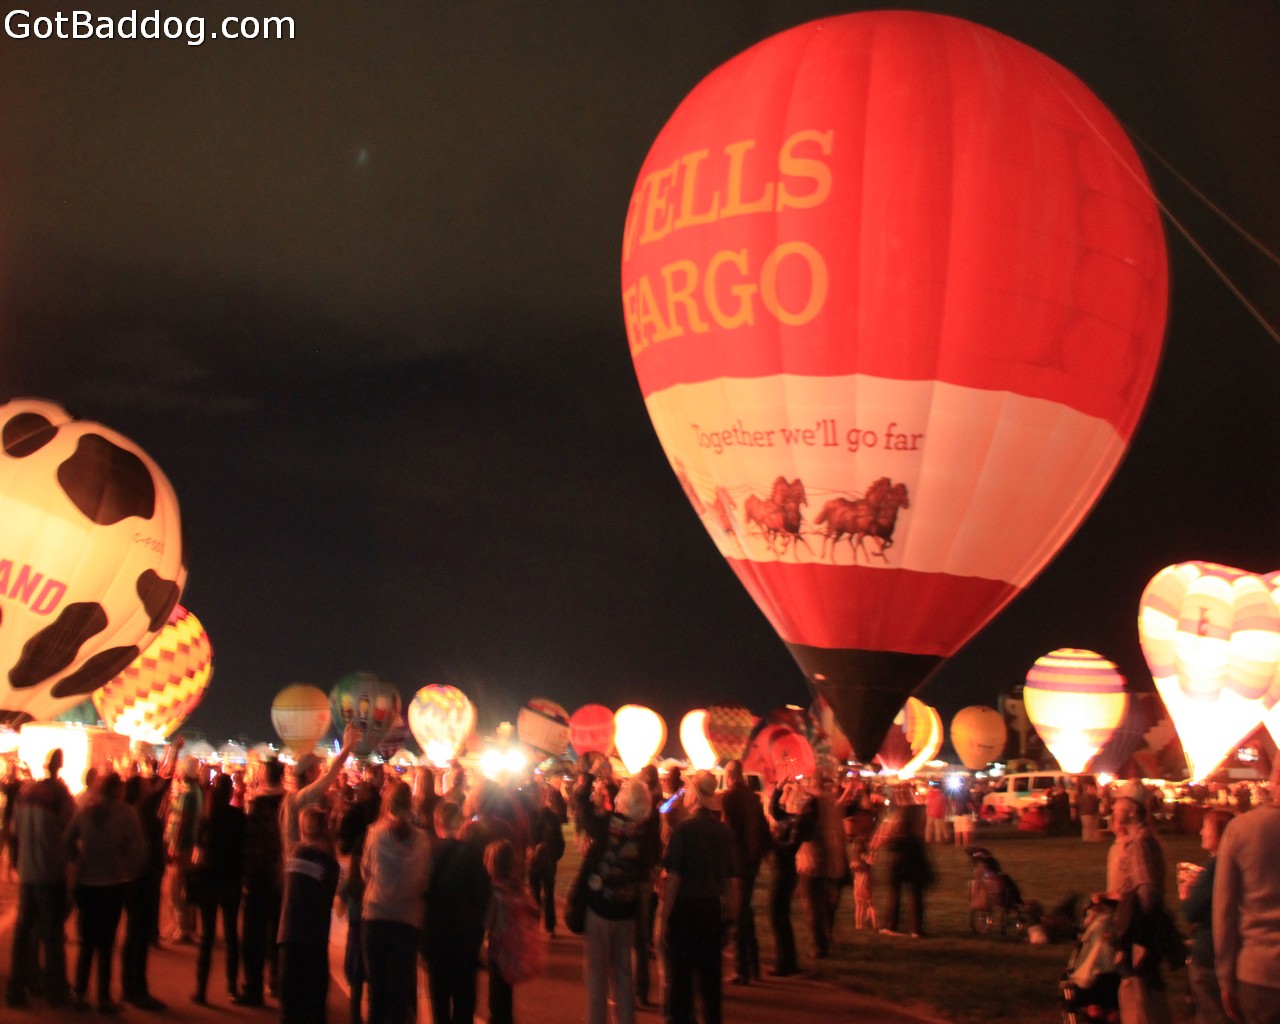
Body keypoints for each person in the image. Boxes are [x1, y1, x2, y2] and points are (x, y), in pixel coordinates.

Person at [65, 770, 147, 1013]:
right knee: (107, 942)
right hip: (114, 883)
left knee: (86, 941)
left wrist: (78, 860)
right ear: (118, 789)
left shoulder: (86, 810)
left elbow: (67, 840)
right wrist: (130, 869)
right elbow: (140, 848)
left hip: (87, 883)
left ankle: (79, 991)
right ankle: (103, 997)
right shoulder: (127, 813)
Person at [578, 777, 653, 1024]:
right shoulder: (644, 835)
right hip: (627, 911)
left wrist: (590, 779)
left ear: (624, 801)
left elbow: (584, 809)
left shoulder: (611, 824)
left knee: (597, 976)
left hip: (600, 908)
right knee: (623, 975)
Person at [658, 769, 730, 1024]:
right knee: (710, 985)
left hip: (685, 912)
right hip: (712, 911)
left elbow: (675, 877)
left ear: (695, 796)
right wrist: (729, 916)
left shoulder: (684, 831)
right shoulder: (723, 832)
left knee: (681, 982)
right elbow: (730, 879)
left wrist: (665, 917)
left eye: (689, 789)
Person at [6, 748, 76, 1008]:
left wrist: (16, 863)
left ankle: (16, 988)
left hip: (28, 874)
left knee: (23, 934)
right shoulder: (60, 795)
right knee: (52, 936)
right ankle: (54, 992)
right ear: (60, 765)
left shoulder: (25, 793)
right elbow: (71, 833)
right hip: (50, 874)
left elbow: (14, 833)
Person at [1214, 755, 1280, 1024]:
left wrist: (1226, 978)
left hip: (1258, 972)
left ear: (1274, 779)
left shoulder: (1241, 829)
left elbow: (1224, 911)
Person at [361, 780, 430, 1024]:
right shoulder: (422, 840)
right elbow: (425, 879)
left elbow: (366, 871)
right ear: (410, 804)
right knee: (401, 992)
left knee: (376, 991)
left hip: (376, 915)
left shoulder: (375, 833)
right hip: (407, 920)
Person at [421, 800, 491, 1024]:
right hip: (465, 938)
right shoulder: (471, 854)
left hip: (436, 937)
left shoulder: (430, 853)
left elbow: (421, 892)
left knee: (440, 1001)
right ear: (460, 823)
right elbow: (484, 894)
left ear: (437, 823)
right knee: (464, 1001)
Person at [1106, 794, 1173, 1024]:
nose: (1113, 812)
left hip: (1137, 926)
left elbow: (1146, 888)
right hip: (1136, 921)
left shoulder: (1140, 843)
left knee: (1139, 987)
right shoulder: (1134, 840)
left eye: (1117, 808)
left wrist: (1135, 928)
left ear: (1132, 811)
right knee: (1139, 984)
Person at [278, 804, 340, 1024]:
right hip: (315, 939)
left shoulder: (294, 855)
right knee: (314, 1007)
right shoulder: (329, 864)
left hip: (289, 935)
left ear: (303, 829)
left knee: (290, 1007)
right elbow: (327, 899)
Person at [190, 772, 245, 1005]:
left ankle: (201, 989)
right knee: (231, 935)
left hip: (208, 879)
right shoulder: (238, 817)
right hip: (231, 879)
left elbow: (198, 846)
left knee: (207, 936)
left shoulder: (207, 817)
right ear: (231, 792)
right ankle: (232, 988)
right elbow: (243, 847)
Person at [237, 757, 287, 1007]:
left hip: (259, 875)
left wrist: (245, 875)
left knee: (253, 934)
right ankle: (276, 979)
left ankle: (253, 986)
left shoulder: (256, 804)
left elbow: (249, 841)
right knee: (278, 931)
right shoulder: (288, 803)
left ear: (265, 776)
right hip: (281, 875)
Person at [1182, 808, 1233, 1024]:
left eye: (1206, 827)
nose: (1201, 832)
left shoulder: (1215, 867)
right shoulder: (1235, 863)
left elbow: (1192, 911)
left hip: (1209, 953)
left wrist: (1187, 894)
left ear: (1220, 833)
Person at [338, 776, 382, 1024]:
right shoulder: (375, 877)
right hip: (373, 924)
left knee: (356, 977)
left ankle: (355, 1015)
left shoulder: (353, 880)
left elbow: (339, 905)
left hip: (356, 927)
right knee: (374, 975)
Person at [719, 759, 768, 984]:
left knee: (738, 913)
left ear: (729, 775)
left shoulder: (730, 798)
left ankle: (742, 969)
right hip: (752, 860)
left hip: (738, 863)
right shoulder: (753, 797)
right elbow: (763, 828)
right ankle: (754, 965)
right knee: (746, 911)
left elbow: (727, 831)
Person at [281, 723, 361, 855]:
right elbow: (330, 775)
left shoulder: (296, 797)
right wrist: (347, 748)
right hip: (304, 859)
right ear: (309, 772)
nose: (321, 770)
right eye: (317, 767)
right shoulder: (303, 795)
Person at [484, 838, 539, 1024]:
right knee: (506, 995)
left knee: (497, 996)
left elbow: (489, 922)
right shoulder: (516, 888)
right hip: (513, 949)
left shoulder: (496, 892)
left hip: (498, 949)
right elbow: (534, 912)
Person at [873, 794, 933, 938]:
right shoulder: (917, 827)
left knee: (895, 896)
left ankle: (891, 925)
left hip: (899, 865)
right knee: (916, 897)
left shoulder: (900, 827)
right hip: (916, 864)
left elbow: (889, 843)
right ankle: (916, 929)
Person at [766, 779, 802, 977]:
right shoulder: (787, 818)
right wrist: (778, 789)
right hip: (781, 870)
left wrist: (772, 841)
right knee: (779, 916)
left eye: (789, 794)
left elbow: (790, 848)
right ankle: (787, 960)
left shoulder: (797, 822)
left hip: (785, 872)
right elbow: (773, 809)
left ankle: (785, 962)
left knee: (778, 915)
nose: (785, 798)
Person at [526, 779, 567, 938]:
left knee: (539, 893)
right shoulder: (541, 816)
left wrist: (535, 850)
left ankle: (542, 926)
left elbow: (558, 841)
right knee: (541, 893)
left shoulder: (542, 817)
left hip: (541, 860)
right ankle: (545, 927)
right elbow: (559, 842)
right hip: (542, 861)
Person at [850, 836, 877, 930]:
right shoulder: (864, 856)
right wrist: (873, 853)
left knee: (859, 906)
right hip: (865, 883)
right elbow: (872, 862)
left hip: (856, 884)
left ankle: (858, 925)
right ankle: (874, 925)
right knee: (871, 904)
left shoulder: (854, 860)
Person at [1078, 780, 1103, 844]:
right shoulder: (1088, 797)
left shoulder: (1083, 796)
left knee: (1088, 827)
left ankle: (1089, 839)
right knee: (1089, 827)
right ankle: (1089, 839)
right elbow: (1092, 804)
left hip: (1085, 813)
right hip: (1088, 813)